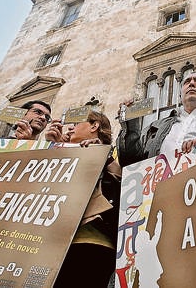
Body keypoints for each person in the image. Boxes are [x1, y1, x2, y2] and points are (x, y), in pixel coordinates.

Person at [45, 110, 121, 287]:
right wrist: (52, 149)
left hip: (90, 245)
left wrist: (103, 155)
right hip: (50, 246)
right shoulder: (58, 149)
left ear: (94, 126)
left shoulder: (113, 154)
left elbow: (127, 180)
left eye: (76, 124)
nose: (69, 129)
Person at [116, 72, 196, 166]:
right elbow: (130, 163)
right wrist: (130, 126)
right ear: (180, 95)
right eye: (187, 82)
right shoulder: (154, 128)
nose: (192, 84)